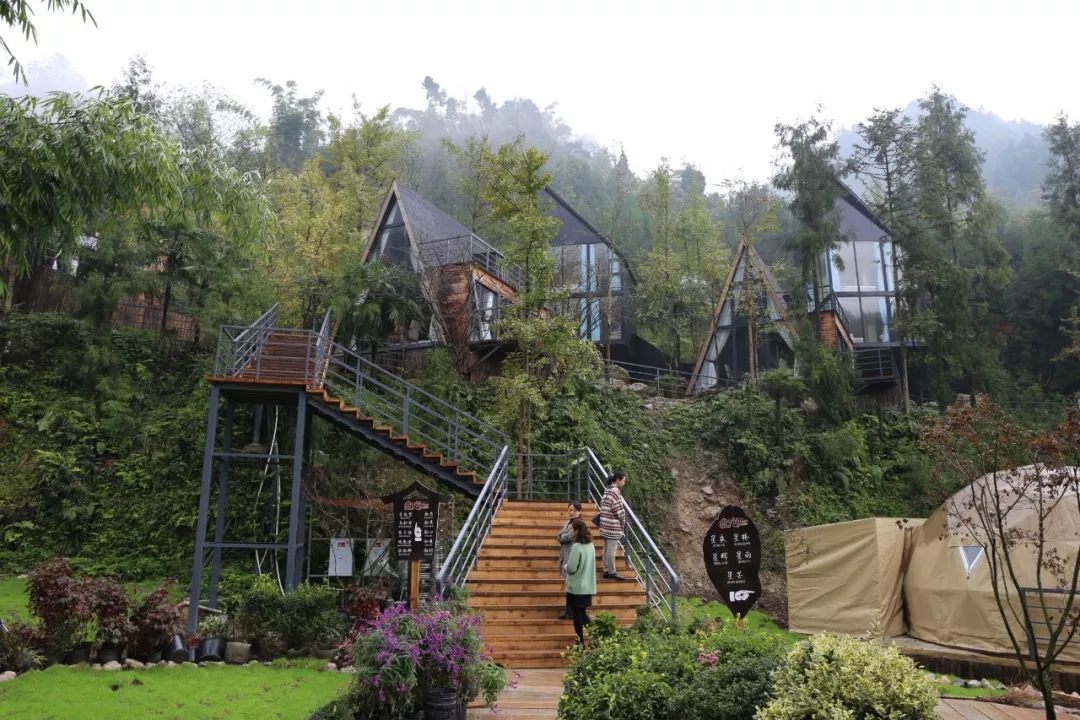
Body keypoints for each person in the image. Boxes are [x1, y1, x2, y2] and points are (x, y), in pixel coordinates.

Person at [563, 518, 596, 645]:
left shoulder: (576, 547)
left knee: (577, 614)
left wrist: (565, 566)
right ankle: (594, 637)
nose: (570, 531)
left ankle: (580, 641)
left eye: (572, 529)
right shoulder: (591, 545)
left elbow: (572, 567)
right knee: (582, 612)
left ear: (576, 531)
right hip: (588, 586)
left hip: (576, 587)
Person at [598, 470, 627, 581]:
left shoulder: (607, 489)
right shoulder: (615, 491)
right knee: (611, 550)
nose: (624, 483)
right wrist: (623, 521)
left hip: (604, 524)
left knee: (606, 548)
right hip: (612, 526)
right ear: (618, 480)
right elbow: (618, 510)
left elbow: (603, 504)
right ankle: (612, 572)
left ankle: (606, 570)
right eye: (623, 480)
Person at [557, 500, 583, 620]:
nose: (571, 512)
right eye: (570, 510)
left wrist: (562, 537)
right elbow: (560, 536)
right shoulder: (568, 523)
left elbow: (567, 537)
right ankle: (569, 612)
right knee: (570, 586)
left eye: (574, 510)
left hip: (574, 557)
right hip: (566, 555)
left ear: (579, 511)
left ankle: (572, 613)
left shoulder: (579, 524)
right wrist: (562, 537)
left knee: (573, 586)